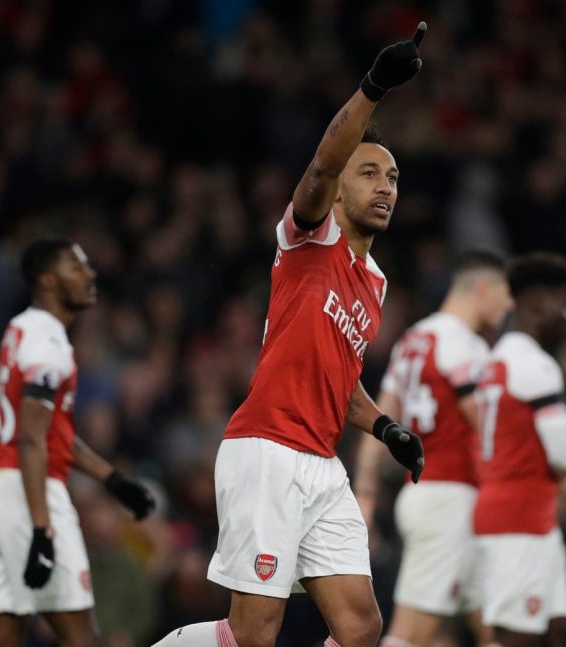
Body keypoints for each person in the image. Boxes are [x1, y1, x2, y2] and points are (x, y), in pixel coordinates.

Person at [153, 22, 428, 647]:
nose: (385, 187)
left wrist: (386, 429)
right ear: (337, 193)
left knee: (360, 627)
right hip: (267, 449)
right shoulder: (309, 238)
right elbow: (324, 160)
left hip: (321, 464)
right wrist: (374, 87)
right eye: (369, 174)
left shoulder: (375, 282)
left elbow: (340, 377)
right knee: (252, 636)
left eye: (392, 179)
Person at [0, 237, 156, 647]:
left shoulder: (22, 329)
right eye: (76, 267)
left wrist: (113, 481)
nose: (89, 274)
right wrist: (42, 529)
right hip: (30, 493)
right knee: (79, 633)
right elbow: (32, 439)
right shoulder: (48, 340)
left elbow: (52, 434)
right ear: (48, 281)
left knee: (2, 633)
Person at [354, 250, 513, 647]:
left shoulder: (413, 340)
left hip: (433, 496)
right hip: (449, 498)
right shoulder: (465, 346)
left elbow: (379, 420)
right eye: (505, 294)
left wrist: (366, 494)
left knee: (495, 626)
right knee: (410, 634)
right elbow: (489, 427)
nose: (508, 305)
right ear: (482, 288)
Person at [473, 252, 566, 647]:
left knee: (559, 631)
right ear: (538, 302)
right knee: (520, 637)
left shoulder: (497, 360)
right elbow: (562, 454)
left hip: (527, 518)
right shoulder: (534, 365)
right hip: (518, 521)